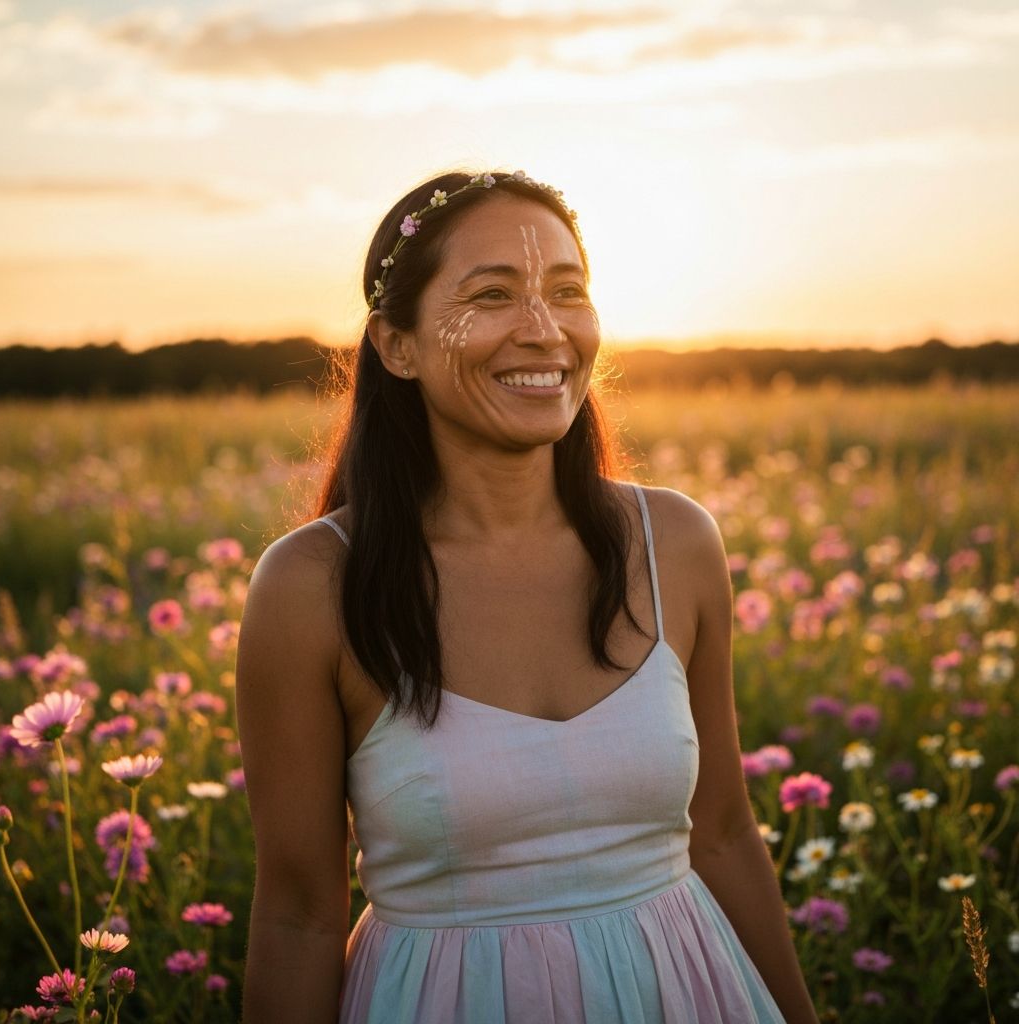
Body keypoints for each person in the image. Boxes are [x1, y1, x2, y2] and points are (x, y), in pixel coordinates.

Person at [236, 169, 820, 1023]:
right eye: (493, 295)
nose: (544, 331)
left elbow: (725, 833)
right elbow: (297, 916)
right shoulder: (311, 586)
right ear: (397, 346)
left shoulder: (676, 544)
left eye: (567, 291)